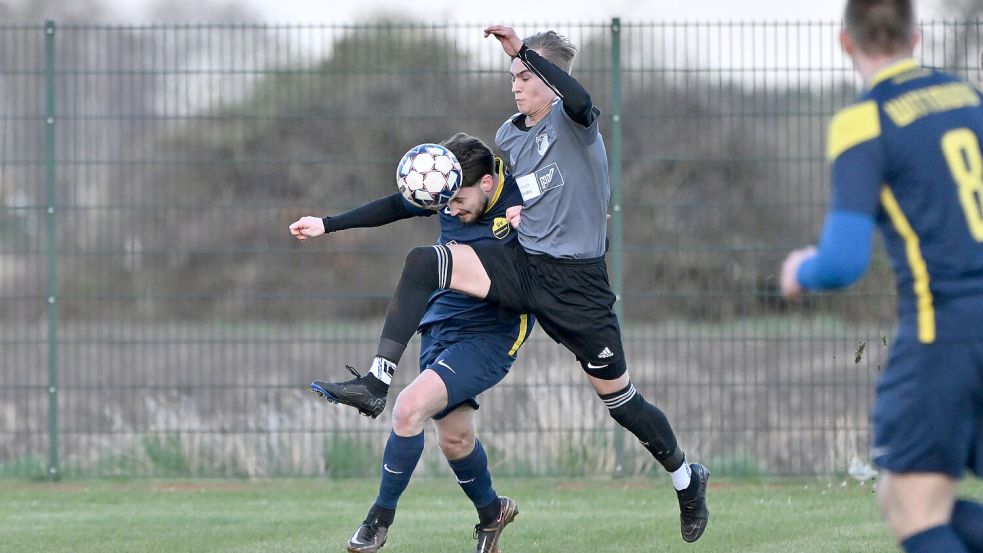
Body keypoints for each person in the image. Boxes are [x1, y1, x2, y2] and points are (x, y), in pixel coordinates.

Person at [312, 25, 710, 543]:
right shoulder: (508, 137)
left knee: (621, 402)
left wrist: (523, 49)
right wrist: (329, 224)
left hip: (578, 287)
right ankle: (376, 381)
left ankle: (686, 480)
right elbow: (486, 197)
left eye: (526, 75)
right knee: (422, 261)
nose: (517, 84)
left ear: (554, 79)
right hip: (525, 269)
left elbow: (582, 100)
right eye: (513, 76)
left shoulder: (578, 122)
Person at [780, 1, 983, 552]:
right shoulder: (969, 99)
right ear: (916, 38)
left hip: (947, 333)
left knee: (910, 505)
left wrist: (800, 270)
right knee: (914, 498)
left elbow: (844, 261)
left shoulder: (865, 119)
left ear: (846, 43)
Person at [290, 133, 532, 553]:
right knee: (454, 439)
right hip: (440, 323)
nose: (449, 209)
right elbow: (392, 206)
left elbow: (578, 233)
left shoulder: (523, 198)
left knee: (407, 410)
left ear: (487, 185)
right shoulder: (445, 183)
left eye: (457, 201)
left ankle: (377, 522)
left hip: (489, 334)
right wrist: (327, 223)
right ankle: (492, 513)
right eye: (444, 202)